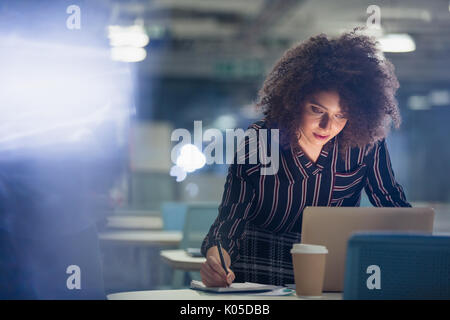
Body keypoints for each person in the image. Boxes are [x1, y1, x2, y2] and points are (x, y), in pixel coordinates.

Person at [200, 28, 412, 287]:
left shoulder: (366, 144)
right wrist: (217, 260)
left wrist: (418, 255)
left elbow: (394, 206)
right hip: (259, 279)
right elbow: (229, 221)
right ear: (294, 100)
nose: (326, 125)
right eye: (316, 109)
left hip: (329, 277)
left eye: (340, 115)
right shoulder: (259, 142)